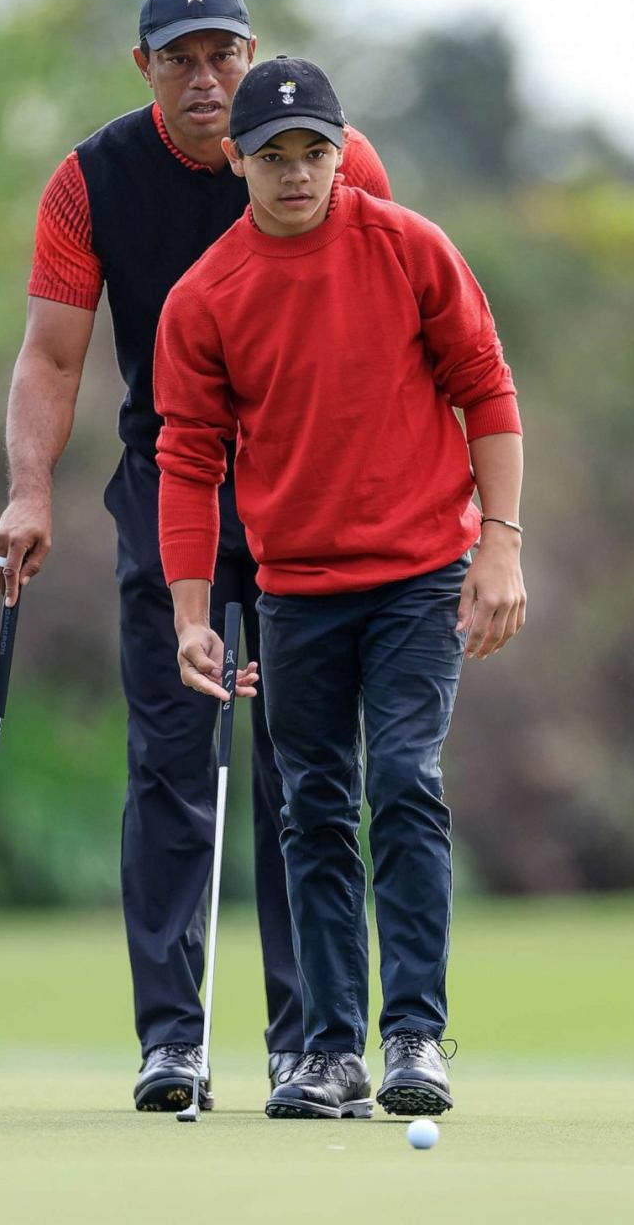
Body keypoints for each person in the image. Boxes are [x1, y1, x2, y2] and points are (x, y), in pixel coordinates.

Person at [0, 0, 392, 1112]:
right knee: (172, 763)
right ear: (145, 67)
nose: (208, 77)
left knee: (303, 766)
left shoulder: (331, 155)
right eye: (182, 58)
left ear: (255, 49)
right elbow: (54, 355)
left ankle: (308, 1041)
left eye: (225, 53)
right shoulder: (91, 181)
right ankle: (173, 1042)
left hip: (310, 501)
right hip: (167, 486)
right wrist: (30, 492)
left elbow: (386, 320)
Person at [155, 56, 525, 1119]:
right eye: (275, 156)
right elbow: (189, 460)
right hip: (296, 590)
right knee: (312, 806)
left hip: (419, 574)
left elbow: (486, 389)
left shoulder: (409, 247)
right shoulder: (207, 296)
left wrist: (500, 546)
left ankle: (413, 1034)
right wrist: (190, 614)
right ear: (237, 161)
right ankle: (329, 1051)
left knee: (403, 777)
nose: (299, 173)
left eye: (316, 150)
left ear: (341, 147)